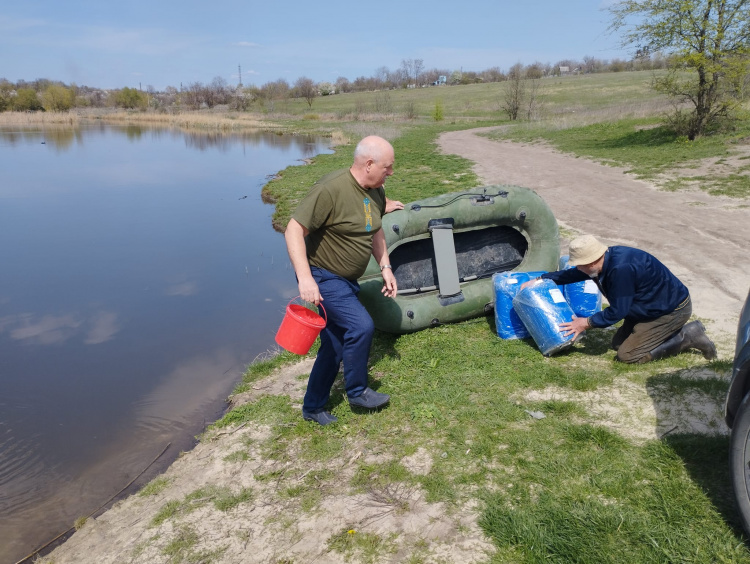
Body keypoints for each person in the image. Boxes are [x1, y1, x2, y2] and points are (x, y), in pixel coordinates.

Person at [284, 135, 398, 425]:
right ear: (369, 164)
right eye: (387, 167)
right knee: (361, 326)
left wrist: (385, 266)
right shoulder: (330, 189)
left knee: (334, 343)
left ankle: (313, 408)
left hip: (347, 280)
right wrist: (306, 279)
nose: (391, 172)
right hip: (323, 275)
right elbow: (293, 230)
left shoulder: (376, 190)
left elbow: (376, 230)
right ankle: (357, 390)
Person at [521, 234, 717, 364]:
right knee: (616, 344)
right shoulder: (600, 263)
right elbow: (572, 275)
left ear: (594, 259)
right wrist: (540, 279)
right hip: (644, 307)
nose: (578, 269)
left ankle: (688, 336)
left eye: (581, 265)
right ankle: (653, 332)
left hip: (669, 310)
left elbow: (618, 312)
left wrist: (586, 323)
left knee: (627, 355)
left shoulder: (621, 270)